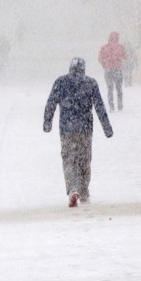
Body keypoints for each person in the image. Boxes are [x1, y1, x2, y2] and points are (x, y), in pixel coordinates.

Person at [43, 57, 113, 207]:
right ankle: (84, 191)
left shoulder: (60, 82)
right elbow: (99, 106)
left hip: (67, 129)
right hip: (85, 129)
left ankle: (73, 188)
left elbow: (51, 103)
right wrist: (107, 128)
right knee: (84, 159)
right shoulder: (90, 83)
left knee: (69, 159)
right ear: (83, 69)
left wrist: (47, 122)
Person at [98, 32, 127, 111]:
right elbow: (125, 57)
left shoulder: (104, 48)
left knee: (110, 89)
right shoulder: (120, 47)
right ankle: (120, 106)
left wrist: (105, 65)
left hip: (108, 71)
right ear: (118, 38)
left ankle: (111, 106)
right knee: (119, 89)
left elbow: (100, 58)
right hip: (118, 70)